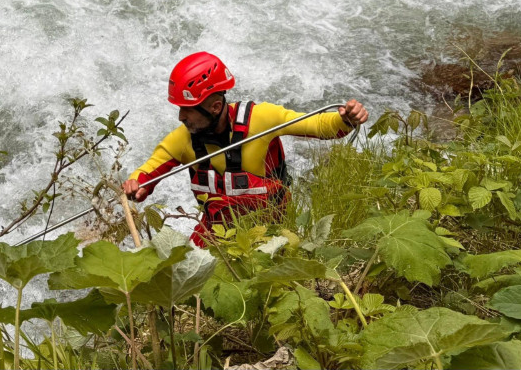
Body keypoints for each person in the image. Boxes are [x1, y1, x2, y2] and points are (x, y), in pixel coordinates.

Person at [121, 51, 368, 247]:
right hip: (216, 233)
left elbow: (319, 125)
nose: (180, 116)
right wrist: (135, 183)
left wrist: (347, 119)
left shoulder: (262, 119)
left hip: (273, 231)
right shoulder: (181, 140)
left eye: (187, 108)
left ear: (215, 107)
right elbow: (147, 172)